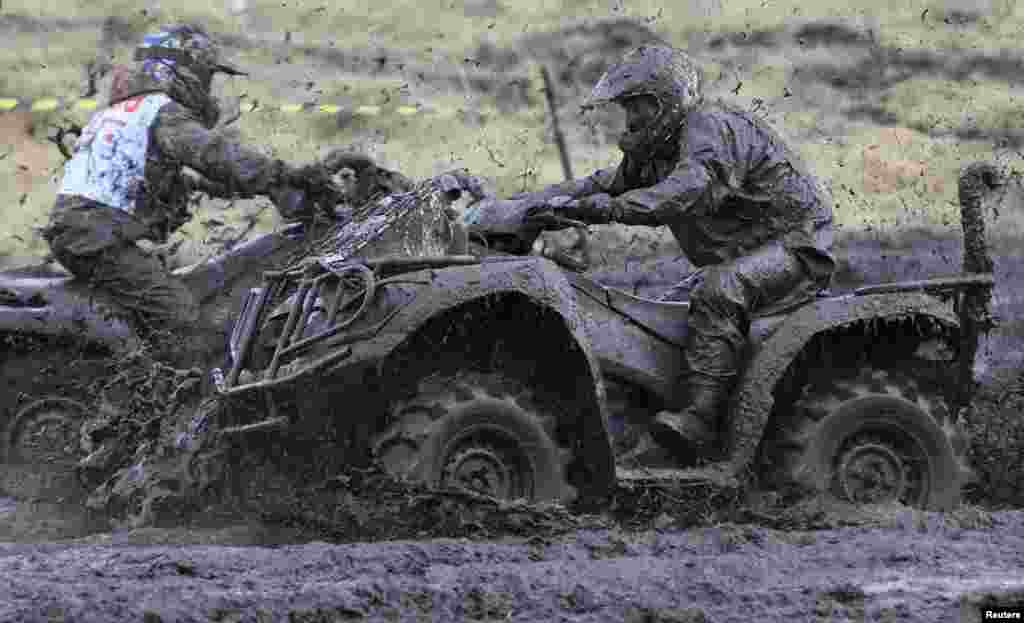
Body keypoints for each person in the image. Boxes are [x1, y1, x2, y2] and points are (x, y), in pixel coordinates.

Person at [510, 44, 836, 464]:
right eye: (626, 108)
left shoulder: (708, 128)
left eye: (636, 108)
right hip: (750, 248)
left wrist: (610, 211)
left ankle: (699, 419)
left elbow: (686, 190)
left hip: (798, 244)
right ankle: (652, 423)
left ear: (664, 102)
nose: (629, 120)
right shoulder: (658, 148)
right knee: (662, 314)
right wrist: (527, 206)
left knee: (721, 290)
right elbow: (602, 183)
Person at [44, 22, 342, 331]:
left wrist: (240, 187)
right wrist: (286, 175)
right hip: (96, 238)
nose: (207, 87)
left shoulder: (121, 111)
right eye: (205, 75)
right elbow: (214, 155)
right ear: (179, 71)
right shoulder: (161, 112)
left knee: (155, 299)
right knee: (181, 317)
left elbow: (159, 179)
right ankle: (175, 379)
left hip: (83, 232)